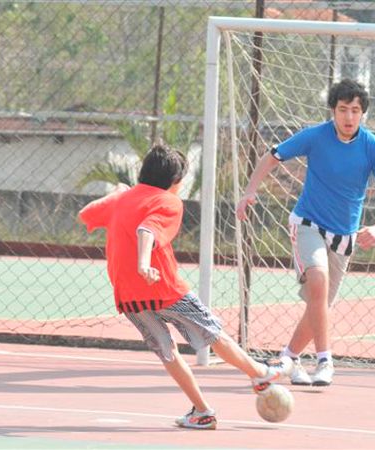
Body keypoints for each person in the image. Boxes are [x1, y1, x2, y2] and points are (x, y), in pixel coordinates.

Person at [78, 144, 292, 430]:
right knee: (213, 333)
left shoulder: (121, 199)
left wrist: (115, 193)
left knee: (168, 352)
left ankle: (202, 412)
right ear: (175, 181)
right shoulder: (168, 201)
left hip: (129, 296)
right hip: (164, 289)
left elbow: (86, 214)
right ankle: (260, 373)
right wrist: (144, 263)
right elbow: (147, 230)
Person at [236, 79, 375, 387]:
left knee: (319, 305)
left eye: (355, 110)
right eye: (343, 110)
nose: (349, 117)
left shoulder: (373, 147)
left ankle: (289, 358)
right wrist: (249, 191)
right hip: (308, 224)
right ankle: (325, 361)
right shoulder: (315, 136)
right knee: (318, 281)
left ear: (363, 113)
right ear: (333, 111)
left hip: (344, 236)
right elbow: (273, 155)